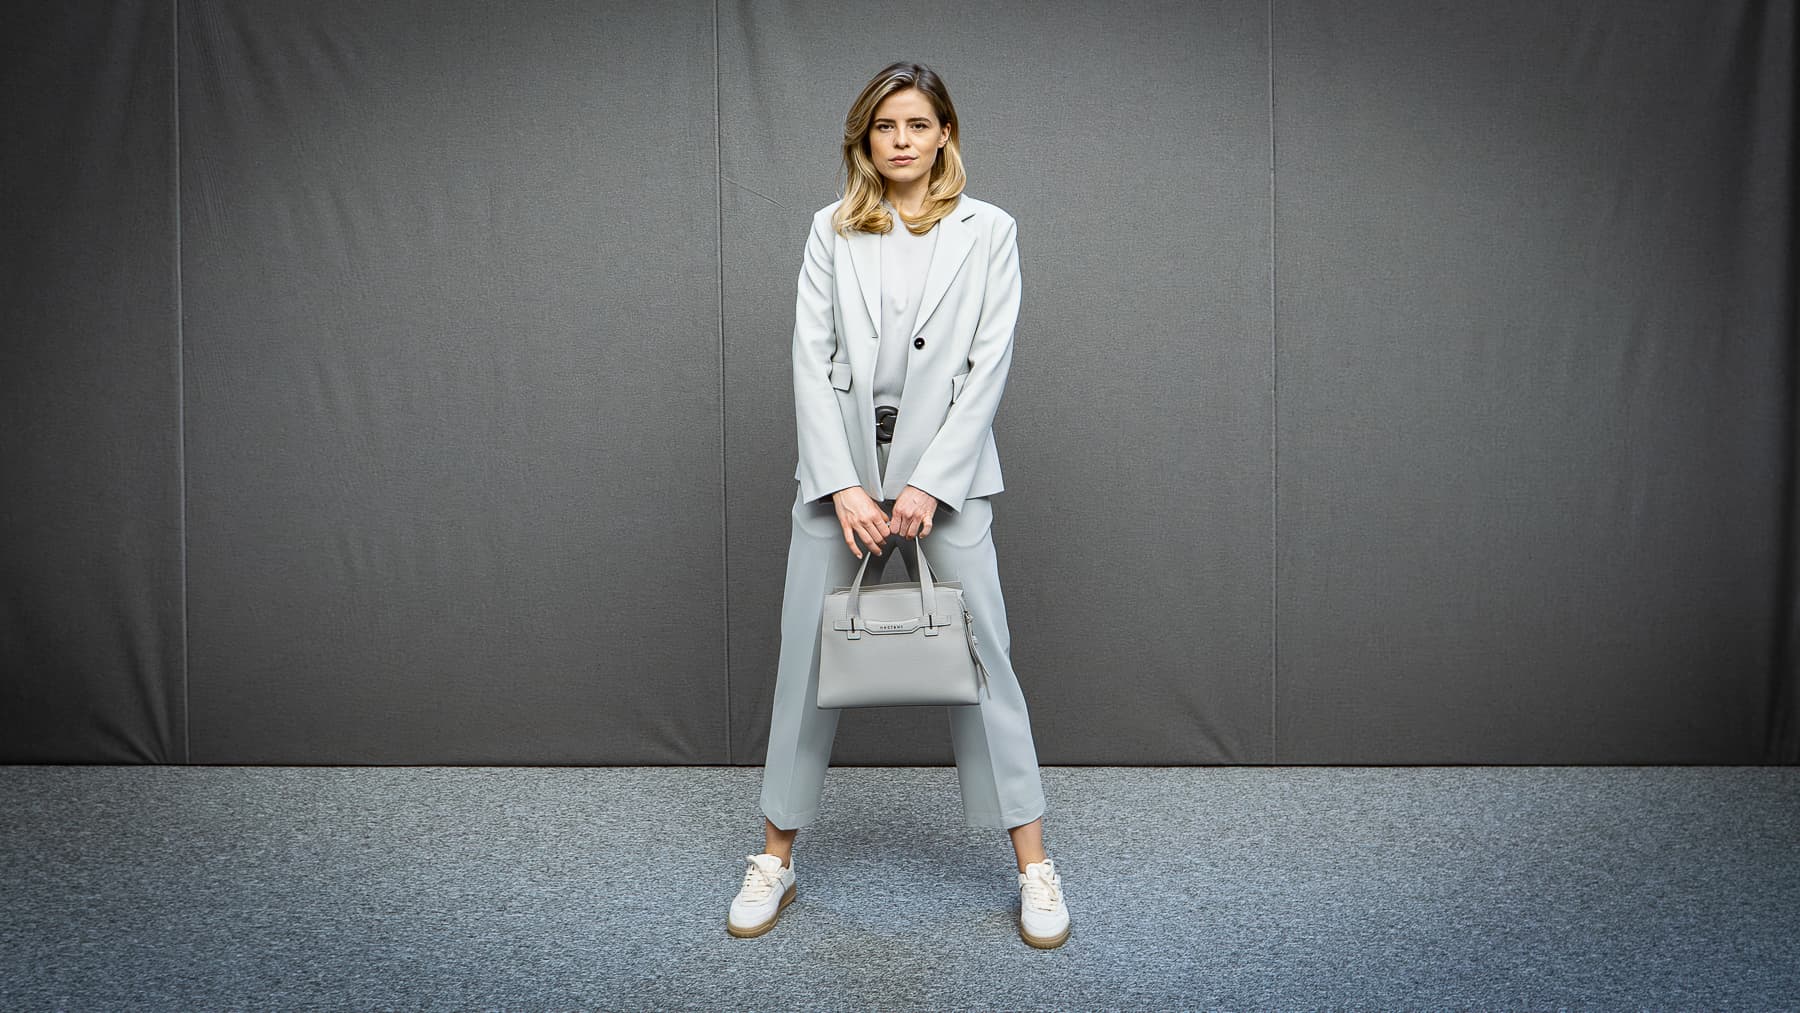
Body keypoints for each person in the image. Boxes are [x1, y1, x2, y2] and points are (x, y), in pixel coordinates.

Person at [726, 61, 1070, 949]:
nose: (902, 140)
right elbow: (810, 360)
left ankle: (1034, 867)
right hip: (838, 477)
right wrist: (842, 482)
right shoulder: (830, 228)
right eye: (886, 126)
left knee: (984, 660)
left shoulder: (990, 230)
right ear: (865, 139)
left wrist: (929, 481)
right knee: (805, 660)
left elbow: (989, 364)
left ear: (945, 132)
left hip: (945, 482)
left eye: (918, 123)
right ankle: (774, 860)